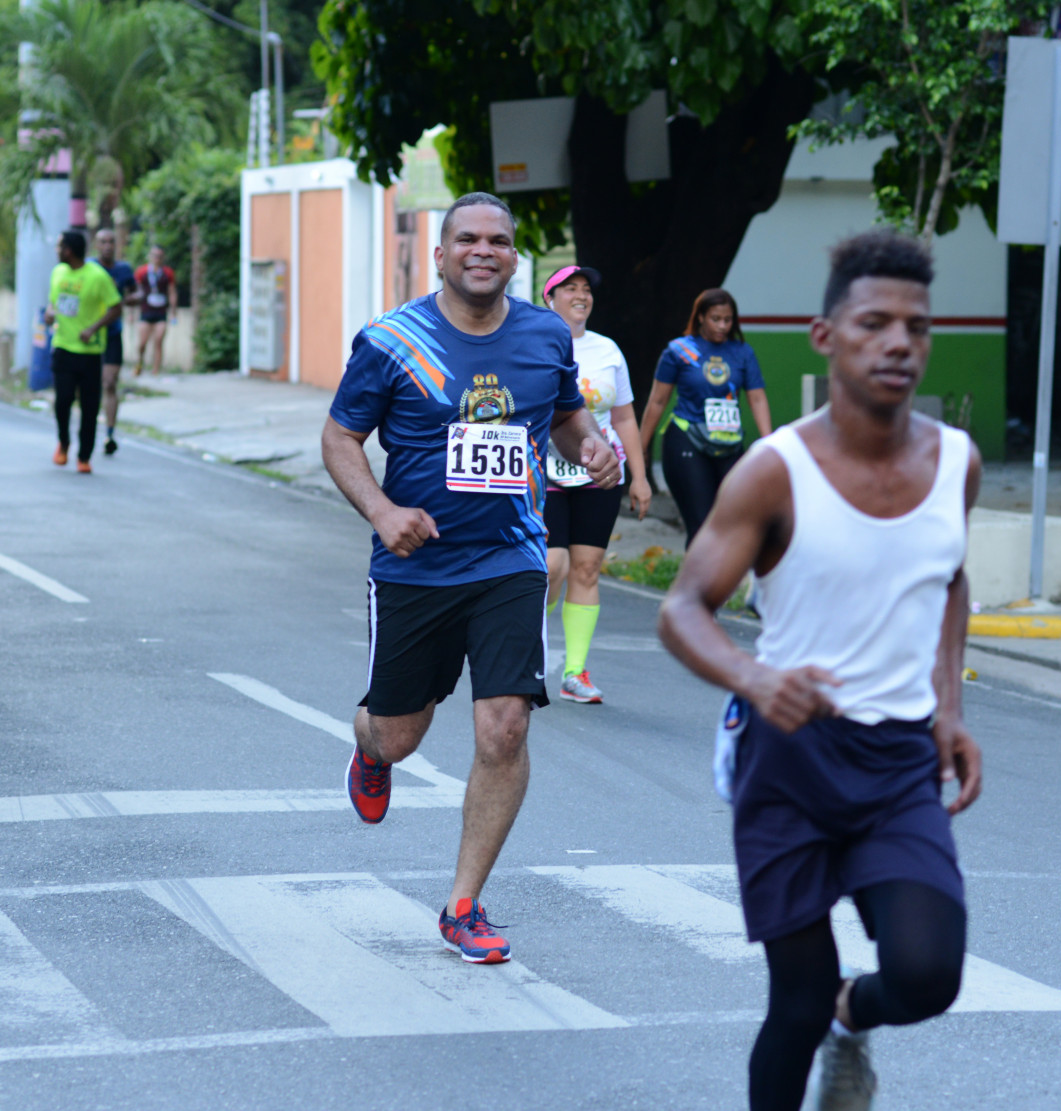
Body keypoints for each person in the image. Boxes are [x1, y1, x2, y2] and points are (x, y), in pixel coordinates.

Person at [657, 231, 981, 1111]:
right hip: (789, 757)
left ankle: (854, 1013)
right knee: (794, 1000)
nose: (898, 343)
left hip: (898, 760)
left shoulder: (955, 462)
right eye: (874, 323)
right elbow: (683, 608)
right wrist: (754, 678)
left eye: (916, 326)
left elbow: (949, 577)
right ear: (826, 335)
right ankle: (821, 1014)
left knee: (927, 973)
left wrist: (948, 706)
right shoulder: (776, 472)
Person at [320, 192, 619, 963]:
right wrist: (382, 510)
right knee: (399, 733)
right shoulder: (393, 340)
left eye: (498, 240)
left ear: (515, 257)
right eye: (467, 239)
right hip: (415, 567)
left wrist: (591, 445)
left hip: (511, 559)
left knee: (505, 727)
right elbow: (341, 436)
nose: (483, 250)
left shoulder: (545, 335)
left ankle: (463, 904)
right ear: (442, 254)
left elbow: (565, 416)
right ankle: (371, 749)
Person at [537, 265, 652, 705]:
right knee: (552, 566)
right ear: (550, 298)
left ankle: (574, 672)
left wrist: (639, 476)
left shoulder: (608, 350)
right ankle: (530, 644)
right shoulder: (534, 342)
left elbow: (623, 417)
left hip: (599, 473)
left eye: (586, 289)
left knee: (586, 568)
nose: (581, 295)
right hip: (543, 471)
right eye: (570, 288)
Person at [638, 289, 774, 546]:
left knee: (732, 523)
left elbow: (757, 397)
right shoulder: (679, 350)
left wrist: (769, 444)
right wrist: (641, 446)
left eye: (728, 320)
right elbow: (658, 401)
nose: (722, 326)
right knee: (701, 527)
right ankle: (697, 573)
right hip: (687, 438)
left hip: (729, 442)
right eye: (715, 319)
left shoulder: (743, 352)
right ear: (700, 317)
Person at [44, 230, 120, 473]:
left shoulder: (97, 276)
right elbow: (53, 302)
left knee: (89, 406)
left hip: (90, 352)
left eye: (59, 247)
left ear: (68, 250)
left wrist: (93, 328)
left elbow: (116, 307)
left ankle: (84, 456)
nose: (56, 251)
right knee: (63, 401)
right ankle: (64, 443)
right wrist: (49, 313)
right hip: (63, 347)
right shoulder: (58, 272)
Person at [93, 229, 136, 454]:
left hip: (111, 333)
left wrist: (123, 301)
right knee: (90, 385)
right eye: (103, 242)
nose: (108, 246)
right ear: (96, 245)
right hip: (88, 335)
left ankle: (109, 434)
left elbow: (137, 293)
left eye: (111, 242)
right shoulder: (89, 268)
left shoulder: (123, 269)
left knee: (110, 383)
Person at [133, 245, 176, 376]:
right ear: (150, 256)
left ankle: (156, 370)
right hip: (146, 311)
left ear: (163, 257)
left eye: (160, 256)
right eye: (155, 255)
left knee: (158, 340)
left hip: (161, 312)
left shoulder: (168, 272)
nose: (157, 258)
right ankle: (139, 364)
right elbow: (135, 292)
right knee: (142, 343)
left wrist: (174, 312)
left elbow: (172, 292)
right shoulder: (141, 271)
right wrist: (131, 312)